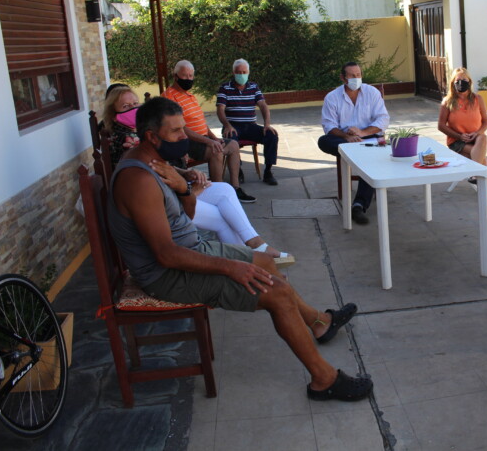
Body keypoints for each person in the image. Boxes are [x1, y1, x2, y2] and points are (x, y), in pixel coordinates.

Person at [108, 97, 373, 401]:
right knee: (276, 294)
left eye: (183, 128)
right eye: (176, 131)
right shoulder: (139, 180)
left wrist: (184, 187)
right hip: (166, 275)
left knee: (266, 264)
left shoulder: (155, 162)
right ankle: (323, 379)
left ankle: (319, 323)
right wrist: (232, 267)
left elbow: (188, 215)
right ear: (152, 136)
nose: (184, 136)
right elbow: (166, 255)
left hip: (190, 250)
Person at [102, 85, 292, 263]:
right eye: (126, 106)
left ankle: (254, 251)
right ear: (113, 113)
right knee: (222, 217)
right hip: (166, 202)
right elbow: (151, 181)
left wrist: (185, 173)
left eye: (135, 104)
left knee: (225, 190)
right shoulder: (125, 142)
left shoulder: (136, 133)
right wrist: (188, 191)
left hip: (174, 190)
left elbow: (159, 166)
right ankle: (252, 257)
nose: (133, 109)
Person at [162, 60, 256, 203]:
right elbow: (181, 128)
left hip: (202, 138)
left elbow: (201, 122)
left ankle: (235, 188)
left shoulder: (190, 96)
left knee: (233, 145)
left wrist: (213, 138)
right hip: (186, 141)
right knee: (216, 151)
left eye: (191, 76)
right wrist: (209, 142)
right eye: (185, 76)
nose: (188, 79)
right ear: (175, 76)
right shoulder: (169, 97)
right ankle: (217, 193)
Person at [318, 62, 390, 225]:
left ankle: (358, 206)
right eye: (352, 75)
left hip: (368, 137)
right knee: (323, 141)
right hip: (344, 140)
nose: (356, 78)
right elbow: (329, 125)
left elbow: (383, 119)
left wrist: (363, 132)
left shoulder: (372, 92)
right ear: (343, 78)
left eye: (358, 75)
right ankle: (355, 150)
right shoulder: (332, 97)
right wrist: (346, 137)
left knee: (372, 160)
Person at [438, 67, 487, 206]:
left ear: (470, 81)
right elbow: (441, 126)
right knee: (481, 158)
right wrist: (459, 136)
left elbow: (485, 122)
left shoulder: (478, 99)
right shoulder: (447, 101)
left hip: (476, 139)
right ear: (453, 83)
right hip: (457, 142)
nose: (461, 83)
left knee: (483, 138)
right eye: (458, 80)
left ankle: (475, 173)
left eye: (464, 80)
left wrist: (476, 133)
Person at [216, 59, 280, 185]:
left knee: (272, 135)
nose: (241, 75)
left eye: (244, 72)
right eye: (238, 72)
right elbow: (220, 109)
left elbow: (263, 105)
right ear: (233, 72)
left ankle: (268, 171)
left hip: (251, 126)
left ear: (248, 72)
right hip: (232, 127)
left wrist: (267, 124)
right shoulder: (225, 88)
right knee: (231, 140)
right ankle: (237, 171)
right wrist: (227, 125)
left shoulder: (253, 87)